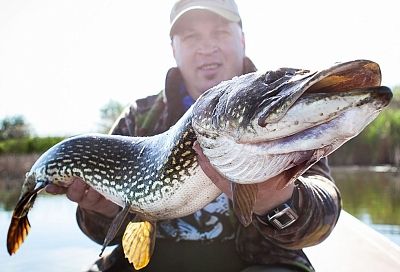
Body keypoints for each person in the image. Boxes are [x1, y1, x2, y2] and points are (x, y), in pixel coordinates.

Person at [46, 1, 341, 271]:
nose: (206, 47)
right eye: (191, 37)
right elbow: (100, 236)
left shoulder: (278, 108)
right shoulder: (139, 118)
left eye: (220, 32)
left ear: (242, 39)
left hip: (258, 262)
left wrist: (276, 200)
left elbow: (322, 218)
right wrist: (105, 211)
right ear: (173, 48)